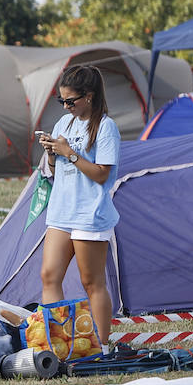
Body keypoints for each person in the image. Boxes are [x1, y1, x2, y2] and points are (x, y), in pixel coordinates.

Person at [38, 65, 120, 350]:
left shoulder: (106, 127)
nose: (66, 106)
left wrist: (69, 153)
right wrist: (51, 153)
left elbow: (101, 174)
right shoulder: (63, 124)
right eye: (61, 101)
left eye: (70, 101)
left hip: (90, 214)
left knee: (91, 281)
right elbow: (55, 171)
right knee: (49, 275)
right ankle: (57, 343)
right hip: (61, 212)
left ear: (89, 96)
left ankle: (102, 347)